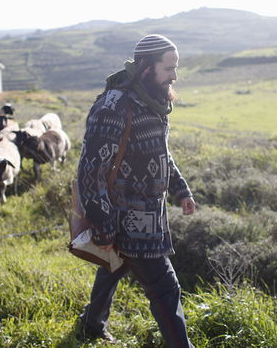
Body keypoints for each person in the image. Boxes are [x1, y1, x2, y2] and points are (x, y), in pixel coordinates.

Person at [77, 34, 196, 347]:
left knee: (114, 267)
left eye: (176, 68)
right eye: (168, 68)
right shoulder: (113, 106)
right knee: (166, 288)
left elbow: (160, 152)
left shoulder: (151, 101)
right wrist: (103, 225)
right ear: (146, 67)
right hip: (126, 218)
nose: (174, 75)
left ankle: (91, 325)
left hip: (149, 215)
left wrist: (180, 190)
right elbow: (91, 169)